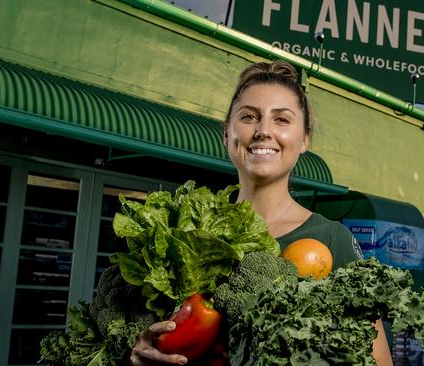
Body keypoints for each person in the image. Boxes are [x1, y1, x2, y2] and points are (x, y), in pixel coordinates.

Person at [129, 60, 393, 365]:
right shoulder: (182, 235)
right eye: (249, 116)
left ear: (305, 138)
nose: (263, 130)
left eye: (281, 119)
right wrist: (136, 354)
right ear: (226, 133)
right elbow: (129, 332)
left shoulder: (333, 240)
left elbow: (378, 360)